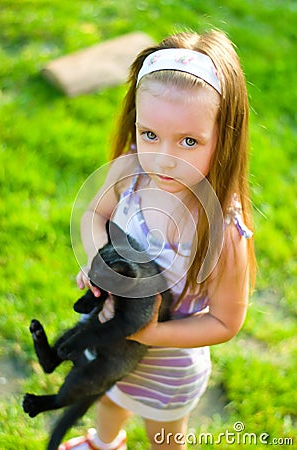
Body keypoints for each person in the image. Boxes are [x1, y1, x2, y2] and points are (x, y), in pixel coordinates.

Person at [59, 29, 256, 450]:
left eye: (189, 141)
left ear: (226, 136)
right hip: (112, 341)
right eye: (150, 134)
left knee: (165, 438)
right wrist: (99, 262)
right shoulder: (129, 171)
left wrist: (149, 336)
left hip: (168, 367)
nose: (164, 156)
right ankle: (104, 443)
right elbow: (96, 214)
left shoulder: (222, 230)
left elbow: (226, 321)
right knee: (108, 399)